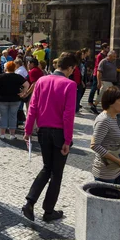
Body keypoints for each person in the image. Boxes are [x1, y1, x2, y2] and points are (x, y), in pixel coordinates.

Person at [22, 52, 78, 223]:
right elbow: (68, 115)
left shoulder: (41, 81)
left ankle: (30, 202)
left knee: (47, 167)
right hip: (59, 132)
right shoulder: (70, 84)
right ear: (69, 68)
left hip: (43, 131)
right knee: (57, 173)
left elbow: (33, 107)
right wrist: (68, 140)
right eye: (72, 69)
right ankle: (48, 211)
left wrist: (28, 129)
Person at [0, 61, 29, 140]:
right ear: (14, 68)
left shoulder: (1, 76)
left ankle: (2, 134)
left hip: (2, 99)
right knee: (13, 116)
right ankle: (12, 135)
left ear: (6, 68)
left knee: (3, 116)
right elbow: (27, 84)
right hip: (15, 99)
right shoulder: (18, 76)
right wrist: (23, 93)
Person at [92, 50, 118, 115]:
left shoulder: (112, 62)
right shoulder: (104, 61)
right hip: (105, 80)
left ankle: (95, 106)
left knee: (103, 94)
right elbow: (99, 71)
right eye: (114, 56)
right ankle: (101, 107)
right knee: (105, 94)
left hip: (111, 81)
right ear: (109, 56)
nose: (115, 58)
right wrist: (99, 81)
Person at [88, 43, 109, 114]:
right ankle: (90, 101)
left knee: (99, 88)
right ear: (104, 48)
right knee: (94, 87)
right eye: (107, 48)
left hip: (102, 74)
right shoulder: (100, 56)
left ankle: (97, 101)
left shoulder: (105, 55)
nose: (108, 49)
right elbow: (98, 66)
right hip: (97, 73)